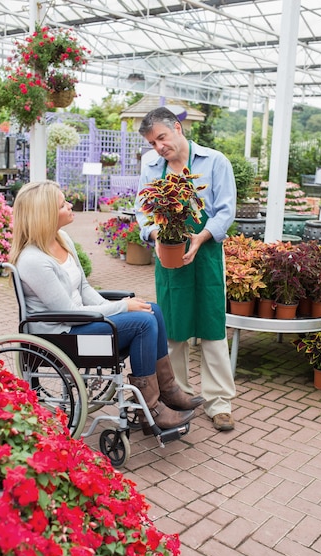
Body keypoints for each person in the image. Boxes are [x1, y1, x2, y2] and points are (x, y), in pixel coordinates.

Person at [9, 180, 205, 433]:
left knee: (151, 310)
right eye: (62, 204)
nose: (70, 205)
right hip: (61, 337)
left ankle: (168, 391)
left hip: (80, 323)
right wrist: (122, 307)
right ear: (45, 215)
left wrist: (116, 306)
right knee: (143, 322)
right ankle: (152, 409)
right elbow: (68, 314)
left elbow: (84, 290)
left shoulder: (62, 238)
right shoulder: (33, 260)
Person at [135, 107, 236, 431]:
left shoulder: (214, 161)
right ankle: (179, 394)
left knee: (212, 327)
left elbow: (225, 210)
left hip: (206, 254)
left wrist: (202, 236)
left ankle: (219, 402)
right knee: (173, 329)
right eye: (152, 143)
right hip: (170, 256)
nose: (158, 147)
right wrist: (155, 234)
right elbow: (142, 212)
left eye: (161, 137)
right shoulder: (151, 166)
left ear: (177, 128)